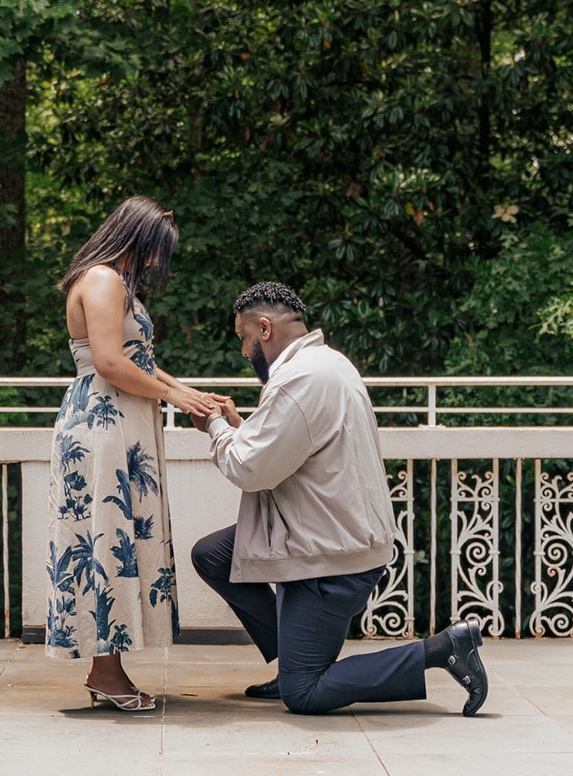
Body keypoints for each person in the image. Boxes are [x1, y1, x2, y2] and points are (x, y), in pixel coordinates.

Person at [190, 281, 489, 716]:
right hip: (331, 531)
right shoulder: (327, 364)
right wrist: (239, 426)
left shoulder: (299, 379)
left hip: (330, 555)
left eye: (243, 338)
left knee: (305, 694)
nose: (243, 351)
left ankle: (441, 650)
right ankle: (293, 659)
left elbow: (250, 470)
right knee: (213, 555)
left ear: (265, 328)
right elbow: (286, 445)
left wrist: (216, 427)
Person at [45, 196, 219, 712]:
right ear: (137, 238)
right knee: (105, 536)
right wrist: (175, 397)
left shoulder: (113, 282)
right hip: (103, 422)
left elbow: (139, 360)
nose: (154, 263)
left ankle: (108, 669)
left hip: (122, 421)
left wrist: (191, 393)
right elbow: (108, 362)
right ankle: (106, 672)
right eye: (154, 251)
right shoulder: (102, 280)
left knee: (118, 536)